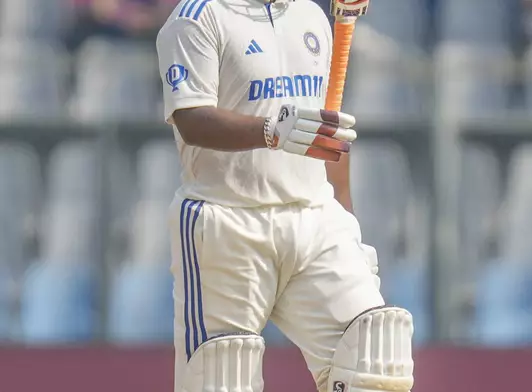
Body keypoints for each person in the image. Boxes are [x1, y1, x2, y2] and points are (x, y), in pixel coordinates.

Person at [155, 1, 415, 392]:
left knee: (376, 354)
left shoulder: (311, 17)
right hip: (227, 222)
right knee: (223, 378)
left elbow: (326, 134)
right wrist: (270, 130)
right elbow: (191, 119)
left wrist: (347, 223)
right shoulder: (197, 18)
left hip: (313, 217)